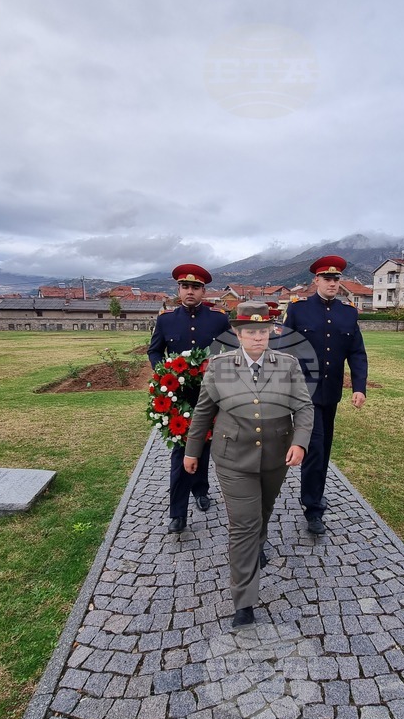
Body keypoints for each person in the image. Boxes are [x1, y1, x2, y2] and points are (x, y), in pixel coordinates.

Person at [183, 301, 313, 628]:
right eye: (250, 331)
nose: (257, 337)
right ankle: (244, 601)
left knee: (262, 514)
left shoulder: (287, 365)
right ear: (238, 334)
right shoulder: (220, 366)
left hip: (275, 457)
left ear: (271, 331)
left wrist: (300, 442)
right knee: (244, 524)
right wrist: (192, 451)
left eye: (263, 331)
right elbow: (203, 411)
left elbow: (304, 407)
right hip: (233, 458)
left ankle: (257, 547)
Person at [282, 255, 368, 534]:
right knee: (316, 447)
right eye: (327, 279)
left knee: (324, 447)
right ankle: (313, 508)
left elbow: (356, 352)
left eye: (336, 279)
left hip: (331, 393)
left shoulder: (348, 313)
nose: (332, 283)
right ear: (316, 280)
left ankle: (315, 492)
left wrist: (359, 386)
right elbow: (284, 349)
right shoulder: (298, 310)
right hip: (305, 394)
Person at [148, 264, 233, 533]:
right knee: (180, 451)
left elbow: (230, 351)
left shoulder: (218, 320)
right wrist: (164, 373)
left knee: (205, 446)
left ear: (203, 291)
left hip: (211, 394)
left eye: (195, 287)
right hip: (179, 397)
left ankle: (201, 489)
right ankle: (178, 513)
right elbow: (154, 351)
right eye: (185, 286)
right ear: (178, 289)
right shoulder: (166, 320)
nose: (190, 291)